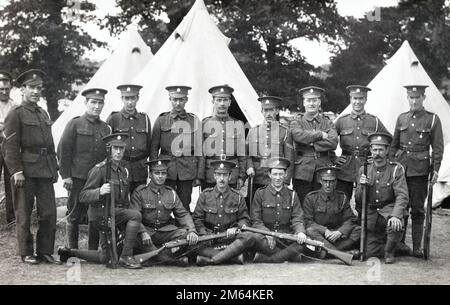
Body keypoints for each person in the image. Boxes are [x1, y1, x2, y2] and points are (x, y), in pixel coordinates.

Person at [58, 133, 144, 269]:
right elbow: (83, 196)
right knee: (135, 216)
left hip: (116, 214)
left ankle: (69, 252)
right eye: (115, 148)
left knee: (106, 257)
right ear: (109, 149)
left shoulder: (124, 171)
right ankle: (126, 256)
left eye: (121, 149)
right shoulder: (99, 170)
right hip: (101, 215)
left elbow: (125, 200)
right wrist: (99, 191)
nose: (118, 152)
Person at [2, 69, 59, 264]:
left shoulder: (43, 113)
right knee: (24, 214)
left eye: (39, 88)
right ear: (22, 89)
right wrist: (16, 171)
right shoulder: (15, 114)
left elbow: (50, 145)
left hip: (44, 170)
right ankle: (26, 252)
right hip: (24, 172)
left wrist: (54, 168)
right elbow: (9, 147)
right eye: (32, 87)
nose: (36, 91)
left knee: (49, 213)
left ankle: (44, 251)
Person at [390, 84, 443, 258]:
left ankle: (417, 247)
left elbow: (437, 148)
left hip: (420, 171)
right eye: (411, 97)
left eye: (417, 97)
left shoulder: (433, 119)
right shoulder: (401, 118)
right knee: (401, 206)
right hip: (401, 169)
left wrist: (435, 169)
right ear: (407, 98)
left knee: (418, 209)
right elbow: (394, 145)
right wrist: (391, 165)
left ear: (423, 98)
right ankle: (400, 244)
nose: (414, 101)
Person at [58, 88, 111, 250]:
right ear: (85, 103)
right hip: (77, 178)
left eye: (100, 102)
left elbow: (107, 155)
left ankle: (92, 251)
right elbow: (63, 150)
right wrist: (66, 176)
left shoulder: (105, 128)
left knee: (94, 215)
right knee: (74, 214)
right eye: (93, 102)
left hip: (97, 179)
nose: (96, 106)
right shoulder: (75, 123)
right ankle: (72, 250)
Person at [131, 158, 199, 266]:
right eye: (156, 173)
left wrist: (192, 230)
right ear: (150, 174)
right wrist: (143, 232)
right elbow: (135, 216)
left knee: (187, 236)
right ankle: (168, 258)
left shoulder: (171, 193)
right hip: (146, 231)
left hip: (164, 231)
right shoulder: (140, 192)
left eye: (163, 173)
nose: (160, 176)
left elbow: (183, 214)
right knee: (132, 238)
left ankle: (158, 256)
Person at [355, 132, 408, 264]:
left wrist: (396, 215)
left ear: (387, 150)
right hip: (371, 214)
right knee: (369, 253)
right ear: (370, 150)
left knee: (395, 224)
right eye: (374, 150)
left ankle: (389, 251)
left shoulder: (396, 169)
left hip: (388, 210)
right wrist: (362, 187)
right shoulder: (364, 169)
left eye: (380, 150)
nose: (377, 153)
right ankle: (393, 246)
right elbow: (358, 200)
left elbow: (402, 196)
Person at [193, 160, 255, 266]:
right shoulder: (205, 195)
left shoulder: (238, 197)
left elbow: (245, 219)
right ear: (214, 176)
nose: (222, 179)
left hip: (229, 239)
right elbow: (197, 219)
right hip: (209, 239)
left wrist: (236, 228)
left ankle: (211, 259)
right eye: (219, 175)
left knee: (249, 236)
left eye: (225, 175)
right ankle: (232, 257)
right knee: (190, 242)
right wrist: (204, 233)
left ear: (230, 177)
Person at [150, 86, 202, 212]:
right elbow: (153, 148)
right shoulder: (162, 120)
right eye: (175, 100)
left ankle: (184, 229)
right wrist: (154, 170)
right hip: (166, 169)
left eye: (181, 100)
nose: (178, 103)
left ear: (186, 100)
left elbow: (200, 150)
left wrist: (199, 175)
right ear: (170, 99)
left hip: (187, 169)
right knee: (164, 203)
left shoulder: (194, 121)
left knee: (184, 203)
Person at [334, 85, 389, 199]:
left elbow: (390, 140)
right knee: (342, 200)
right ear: (350, 100)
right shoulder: (341, 121)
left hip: (366, 166)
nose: (357, 102)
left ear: (365, 100)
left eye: (361, 99)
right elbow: (329, 140)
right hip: (345, 167)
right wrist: (334, 158)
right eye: (355, 98)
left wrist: (378, 157)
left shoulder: (374, 121)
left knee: (364, 201)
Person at [250, 157, 307, 263]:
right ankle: (288, 255)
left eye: (281, 174)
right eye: (275, 174)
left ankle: (266, 258)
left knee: (303, 244)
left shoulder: (292, 195)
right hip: (265, 237)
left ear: (285, 174)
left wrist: (300, 232)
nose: (278, 178)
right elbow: (256, 220)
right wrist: (267, 234)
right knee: (253, 238)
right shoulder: (260, 193)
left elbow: (297, 218)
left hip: (285, 237)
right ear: (269, 174)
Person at [290, 86, 338, 203]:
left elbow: (333, 142)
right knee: (302, 202)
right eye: (308, 100)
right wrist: (320, 135)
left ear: (319, 102)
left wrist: (310, 142)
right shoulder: (297, 121)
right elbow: (298, 136)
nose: (311, 103)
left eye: (314, 100)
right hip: (302, 169)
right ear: (304, 103)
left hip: (323, 167)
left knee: (322, 203)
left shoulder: (327, 121)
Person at [246, 96, 294, 206]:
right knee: (255, 206)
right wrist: (249, 166)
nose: (268, 114)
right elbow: (247, 154)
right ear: (261, 111)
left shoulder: (285, 132)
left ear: (276, 111)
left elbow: (289, 159)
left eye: (271, 110)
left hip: (276, 178)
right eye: (265, 110)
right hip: (257, 175)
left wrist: (286, 181)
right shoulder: (253, 131)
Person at [303, 166, 361, 257]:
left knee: (358, 230)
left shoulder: (342, 197)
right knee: (310, 231)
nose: (328, 185)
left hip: (337, 235)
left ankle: (328, 253)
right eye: (325, 181)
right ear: (320, 181)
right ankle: (342, 254)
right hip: (320, 235)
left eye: (331, 181)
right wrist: (324, 230)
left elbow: (350, 219)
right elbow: (308, 221)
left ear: (335, 182)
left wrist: (340, 232)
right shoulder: (311, 198)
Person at [198, 85, 246, 190]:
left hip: (231, 173)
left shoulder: (238, 124)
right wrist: (200, 176)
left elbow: (242, 153)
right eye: (219, 100)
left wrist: (242, 176)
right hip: (210, 174)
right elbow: (201, 154)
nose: (222, 104)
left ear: (230, 102)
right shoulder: (205, 123)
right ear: (213, 101)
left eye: (225, 100)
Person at [107, 84, 151, 194]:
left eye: (133, 98)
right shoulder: (114, 118)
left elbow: (149, 145)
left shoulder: (144, 119)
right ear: (122, 99)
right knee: (121, 202)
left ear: (138, 98)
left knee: (140, 202)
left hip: (140, 169)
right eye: (127, 98)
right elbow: (107, 145)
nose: (130, 102)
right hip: (120, 167)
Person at [0, 70, 16, 226]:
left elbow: (15, 127)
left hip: (10, 146)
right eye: (1, 90)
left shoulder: (15, 106)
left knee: (11, 180)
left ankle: (11, 218)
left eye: (6, 89)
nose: (4, 92)